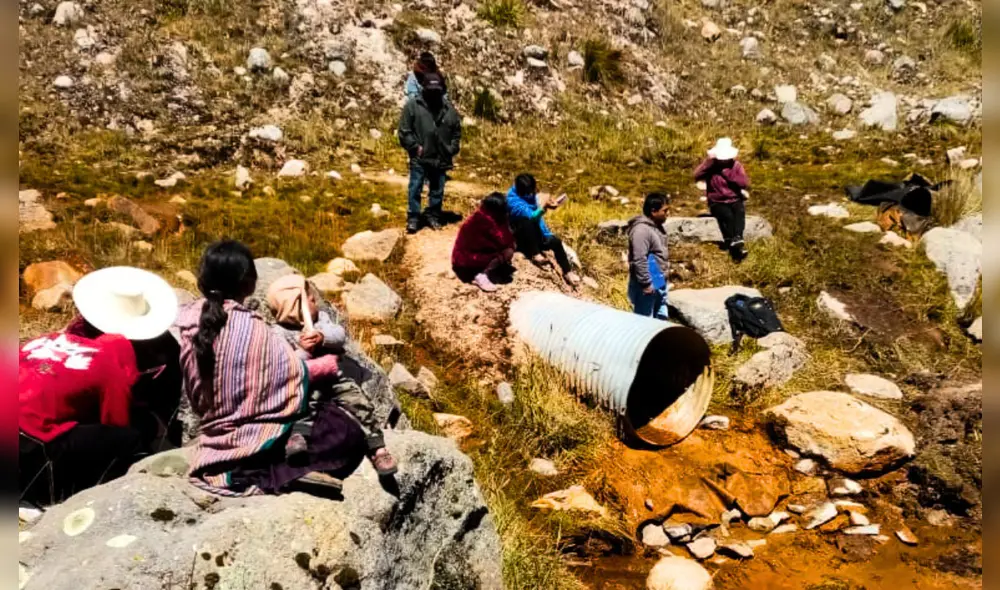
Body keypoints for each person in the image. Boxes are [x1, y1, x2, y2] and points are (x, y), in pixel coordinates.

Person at [174, 240, 367, 497]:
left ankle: (251, 467)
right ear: (249, 283)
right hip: (256, 431)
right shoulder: (250, 326)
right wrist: (324, 366)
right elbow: (289, 375)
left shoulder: (189, 322)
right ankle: (278, 473)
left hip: (215, 432)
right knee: (346, 432)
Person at [19, 267, 181, 506]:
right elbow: (116, 422)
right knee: (129, 439)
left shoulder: (44, 339)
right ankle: (106, 501)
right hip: (28, 446)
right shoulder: (110, 361)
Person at [266, 274, 397, 476]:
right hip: (307, 380)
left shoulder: (321, 320)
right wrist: (302, 350)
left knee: (357, 401)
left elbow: (339, 335)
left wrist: (322, 337)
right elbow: (284, 363)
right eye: (310, 299)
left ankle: (377, 447)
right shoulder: (278, 333)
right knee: (304, 404)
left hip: (335, 375)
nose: (315, 301)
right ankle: (299, 437)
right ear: (294, 306)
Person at [398, 72, 462, 234]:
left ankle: (433, 214)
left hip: (441, 157)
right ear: (424, 89)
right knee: (415, 187)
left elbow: (456, 133)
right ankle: (414, 217)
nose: (434, 93)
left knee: (437, 189)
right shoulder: (412, 105)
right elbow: (404, 131)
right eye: (431, 90)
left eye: (437, 90)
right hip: (420, 157)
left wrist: (451, 149)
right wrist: (415, 148)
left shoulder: (449, 110)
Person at [506, 173, 581, 286]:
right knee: (526, 221)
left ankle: (567, 272)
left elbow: (536, 199)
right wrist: (544, 207)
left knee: (556, 242)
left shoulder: (527, 194)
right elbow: (532, 216)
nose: (532, 193)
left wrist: (549, 203)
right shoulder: (513, 201)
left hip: (535, 233)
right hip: (521, 237)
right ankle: (535, 254)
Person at [694, 137, 750, 261]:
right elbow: (696, 175)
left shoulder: (736, 166)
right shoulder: (711, 166)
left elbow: (743, 183)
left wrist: (727, 174)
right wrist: (707, 164)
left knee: (739, 212)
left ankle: (737, 238)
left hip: (734, 198)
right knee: (727, 216)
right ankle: (735, 245)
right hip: (717, 201)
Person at [451, 192, 516, 292]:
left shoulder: (480, 215)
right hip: (467, 261)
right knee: (508, 251)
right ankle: (481, 274)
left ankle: (488, 268)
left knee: (506, 250)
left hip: (460, 258)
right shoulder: (487, 223)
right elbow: (504, 241)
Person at [627, 193, 671, 319]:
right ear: (653, 211)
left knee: (660, 318)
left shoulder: (656, 228)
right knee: (644, 321)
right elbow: (639, 258)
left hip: (658, 279)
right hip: (646, 284)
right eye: (665, 210)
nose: (667, 213)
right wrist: (646, 284)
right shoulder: (641, 230)